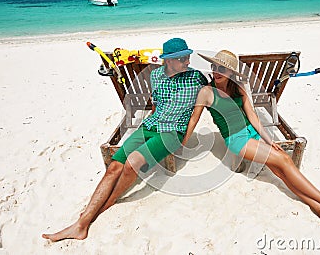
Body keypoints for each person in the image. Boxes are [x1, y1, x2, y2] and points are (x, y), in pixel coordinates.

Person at [42, 38, 208, 241]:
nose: (187, 61)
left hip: (172, 133)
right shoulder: (155, 75)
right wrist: (150, 124)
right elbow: (156, 105)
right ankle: (81, 225)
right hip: (150, 125)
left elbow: (198, 111)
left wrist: (184, 139)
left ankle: (108, 202)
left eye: (188, 57)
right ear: (169, 61)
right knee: (114, 167)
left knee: (131, 165)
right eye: (183, 58)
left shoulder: (197, 78)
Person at [182, 50, 320, 236]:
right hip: (236, 139)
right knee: (284, 160)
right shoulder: (206, 92)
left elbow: (252, 116)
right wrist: (183, 143)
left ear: (231, 73)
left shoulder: (239, 86)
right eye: (214, 67)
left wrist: (269, 140)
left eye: (222, 69)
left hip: (251, 133)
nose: (216, 72)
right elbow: (194, 120)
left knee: (282, 173)